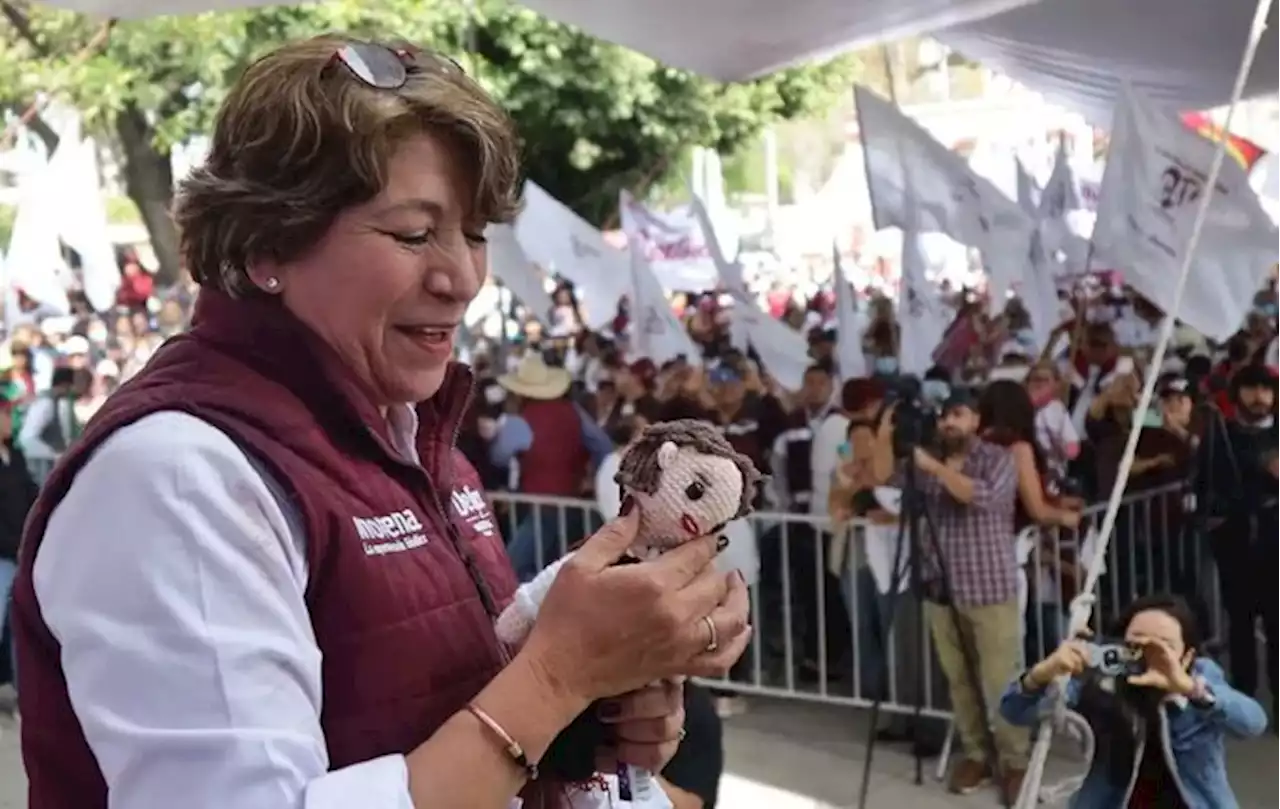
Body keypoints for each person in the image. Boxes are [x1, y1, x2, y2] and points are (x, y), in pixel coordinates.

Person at [11, 36, 749, 809]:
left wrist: (598, 709)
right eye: (413, 232)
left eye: (472, 233)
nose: (461, 278)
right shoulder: (176, 476)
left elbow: (451, 712)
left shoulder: (412, 432)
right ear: (269, 240)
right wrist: (558, 674)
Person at [870, 388, 1027, 799]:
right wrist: (886, 435)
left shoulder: (996, 458)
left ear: (975, 419)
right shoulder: (926, 459)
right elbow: (882, 477)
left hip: (989, 589)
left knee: (1000, 683)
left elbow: (980, 496)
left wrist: (933, 467)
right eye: (943, 415)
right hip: (941, 590)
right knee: (960, 682)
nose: (948, 422)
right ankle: (977, 754)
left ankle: (1015, 763)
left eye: (957, 414)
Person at [1001, 594, 1266, 808]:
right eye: (1135, 645)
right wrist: (1043, 673)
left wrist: (1188, 689)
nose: (1146, 655)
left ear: (1187, 656)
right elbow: (1014, 712)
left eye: (1162, 646)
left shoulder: (1200, 676)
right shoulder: (1104, 680)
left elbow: (1253, 723)